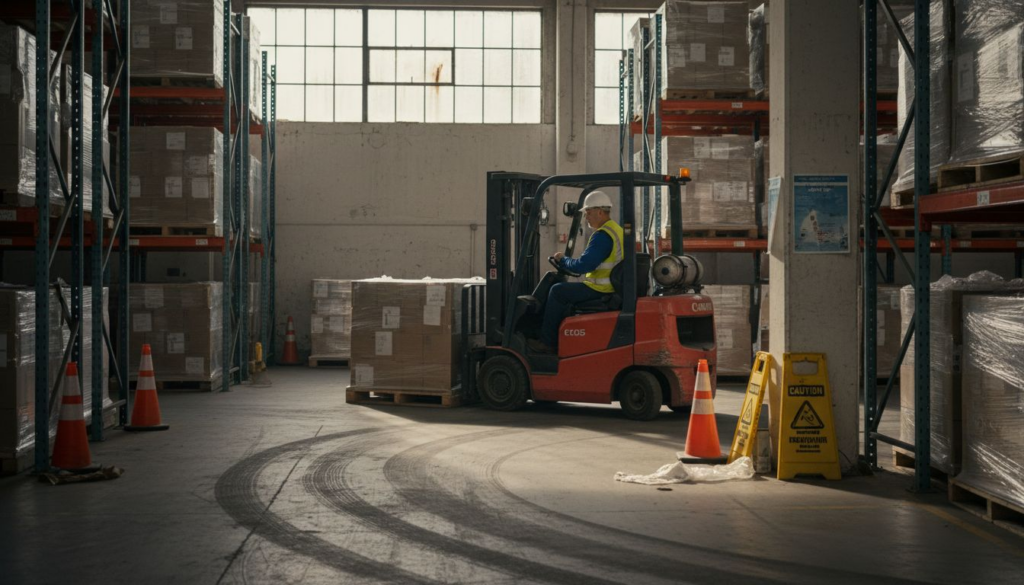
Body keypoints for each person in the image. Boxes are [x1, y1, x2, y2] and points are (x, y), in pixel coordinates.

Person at [529, 190, 624, 353]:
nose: (586, 217)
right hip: (612, 287)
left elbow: (583, 266)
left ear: (599, 212)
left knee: (557, 291)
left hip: (601, 289)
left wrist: (563, 259)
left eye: (588, 212)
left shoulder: (602, 235)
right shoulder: (616, 230)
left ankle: (547, 342)